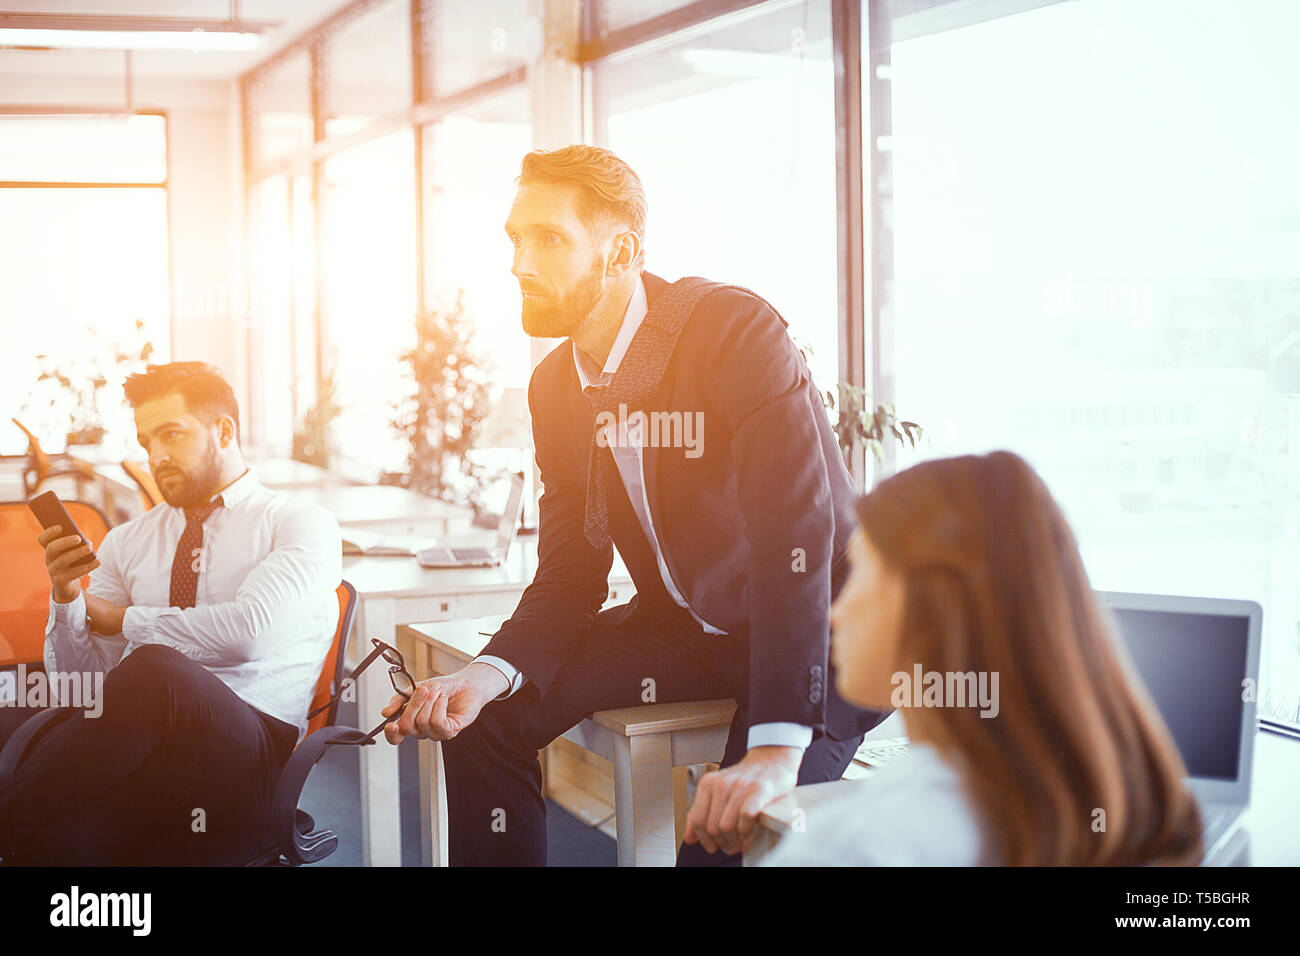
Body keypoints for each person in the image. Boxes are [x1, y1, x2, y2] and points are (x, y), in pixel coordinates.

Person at [382, 144, 889, 865]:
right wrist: (482, 673)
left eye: (549, 239)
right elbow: (570, 575)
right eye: (515, 239)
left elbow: (796, 540)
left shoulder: (733, 331)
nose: (520, 263)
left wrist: (774, 750)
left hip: (825, 635)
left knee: (719, 842)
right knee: (484, 722)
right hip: (687, 633)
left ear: (621, 252)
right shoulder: (555, 387)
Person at [764, 451, 1204, 866]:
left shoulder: (847, 847)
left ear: (924, 605)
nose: (834, 611)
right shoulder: (1125, 809)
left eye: (860, 571)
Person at [0, 361, 341, 865]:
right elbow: (88, 687)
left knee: (155, 670)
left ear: (224, 431)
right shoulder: (128, 541)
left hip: (247, 758)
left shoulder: (299, 523)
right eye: (145, 442)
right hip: (143, 749)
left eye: (171, 434)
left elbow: (248, 635)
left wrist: (121, 619)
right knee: (13, 708)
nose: (156, 456)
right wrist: (69, 599)